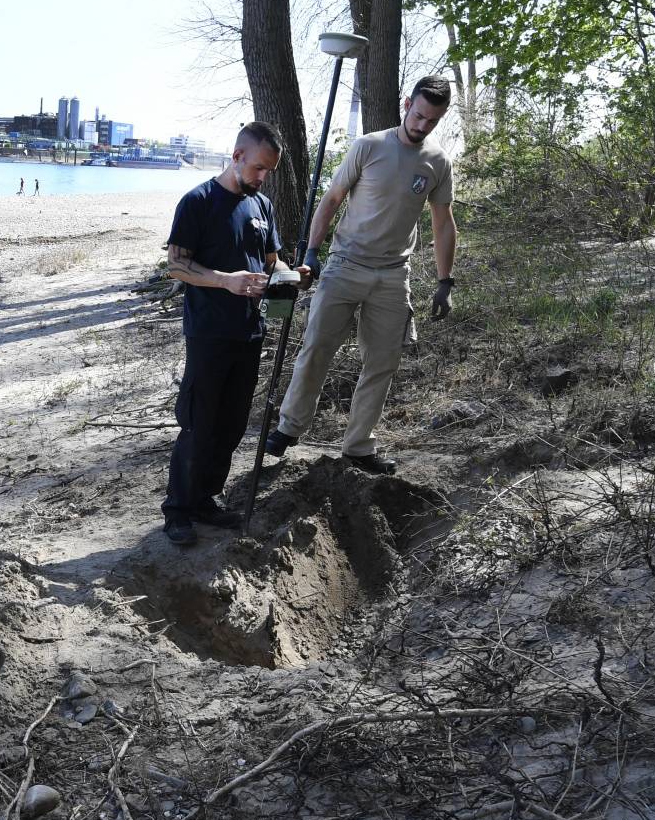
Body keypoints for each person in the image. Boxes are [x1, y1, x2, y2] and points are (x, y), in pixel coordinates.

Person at [265, 75, 458, 474]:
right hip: (345, 265)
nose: (422, 126)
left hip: (392, 276)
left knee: (382, 363)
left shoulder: (437, 163)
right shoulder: (369, 146)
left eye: (432, 121)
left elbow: (443, 223)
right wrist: (313, 253)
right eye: (419, 115)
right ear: (407, 104)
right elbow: (332, 199)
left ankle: (358, 447)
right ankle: (289, 427)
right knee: (316, 347)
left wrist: (445, 282)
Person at [161, 122, 290, 546]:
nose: (261, 177)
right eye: (257, 168)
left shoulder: (263, 207)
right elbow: (177, 266)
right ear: (236, 157)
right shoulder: (197, 202)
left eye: (268, 171)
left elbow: (272, 265)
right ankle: (178, 509)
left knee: (232, 424)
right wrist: (225, 281)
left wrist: (291, 281)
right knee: (199, 422)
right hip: (208, 331)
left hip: (250, 332)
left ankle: (206, 500)